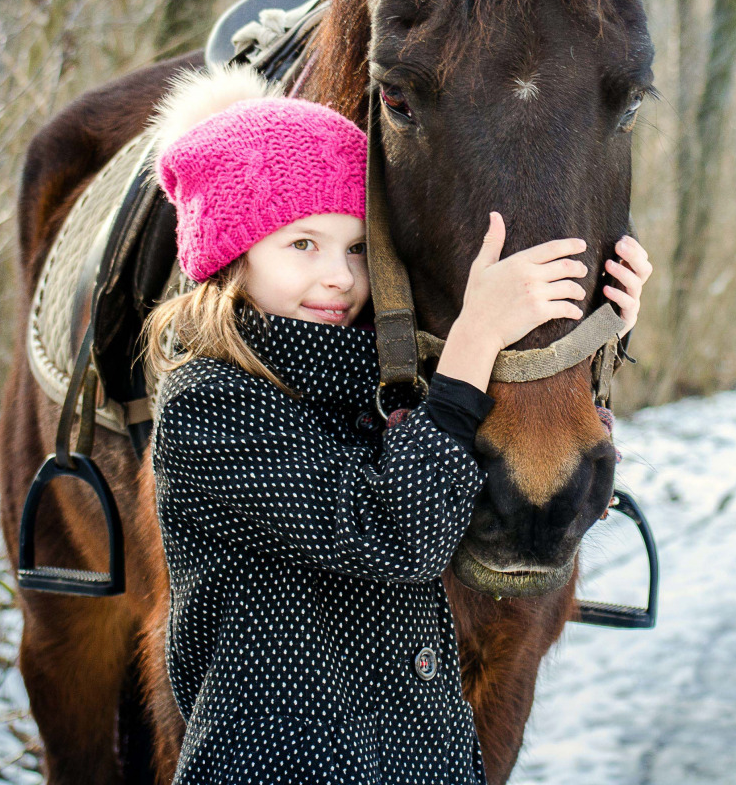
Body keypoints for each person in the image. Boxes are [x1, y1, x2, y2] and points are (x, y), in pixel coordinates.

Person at [140, 64, 652, 784]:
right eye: (302, 245)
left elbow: (471, 483)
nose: (338, 278)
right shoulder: (209, 407)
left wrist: (588, 337)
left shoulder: (363, 384)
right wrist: (472, 344)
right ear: (231, 255)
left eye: (356, 249)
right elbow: (392, 532)